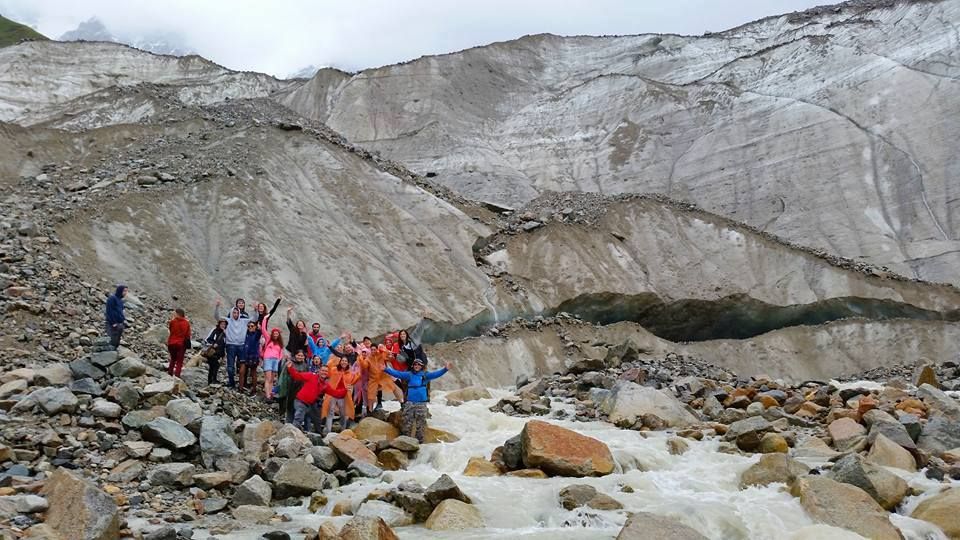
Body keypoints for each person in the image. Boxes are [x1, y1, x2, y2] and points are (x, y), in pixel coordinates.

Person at [385, 358, 452, 442]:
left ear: (421, 366)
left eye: (418, 365)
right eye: (415, 364)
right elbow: (397, 373)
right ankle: (405, 440)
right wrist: (386, 369)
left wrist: (445, 369)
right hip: (410, 403)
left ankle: (419, 441)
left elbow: (436, 374)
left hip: (421, 404)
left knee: (420, 423)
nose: (416, 366)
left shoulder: (425, 375)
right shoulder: (409, 374)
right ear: (413, 366)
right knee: (407, 421)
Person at [359, 344, 404, 412]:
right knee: (371, 395)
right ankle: (370, 410)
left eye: (374, 349)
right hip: (373, 379)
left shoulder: (381, 355)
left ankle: (402, 402)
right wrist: (362, 359)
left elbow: (389, 356)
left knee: (394, 387)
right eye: (372, 350)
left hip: (383, 377)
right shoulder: (368, 359)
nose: (373, 351)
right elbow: (364, 366)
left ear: (376, 349)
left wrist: (384, 350)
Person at [322, 355, 360, 434]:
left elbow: (355, 379)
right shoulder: (334, 370)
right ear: (340, 362)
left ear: (348, 363)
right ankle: (328, 431)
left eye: (345, 361)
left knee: (343, 414)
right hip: (332, 394)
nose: (344, 362)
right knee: (330, 412)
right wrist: (333, 358)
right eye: (342, 360)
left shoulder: (349, 373)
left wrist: (351, 385)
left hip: (343, 396)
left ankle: (343, 430)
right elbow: (327, 371)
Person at [285, 363, 327, 432]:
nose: (324, 372)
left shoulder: (325, 384)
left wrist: (345, 390)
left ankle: (312, 433)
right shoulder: (311, 376)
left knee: (311, 419)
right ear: (319, 371)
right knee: (299, 417)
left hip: (310, 404)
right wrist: (290, 368)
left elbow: (334, 392)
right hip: (300, 401)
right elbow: (297, 375)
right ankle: (291, 433)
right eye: (323, 370)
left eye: (326, 371)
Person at [214, 300, 247, 389]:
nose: (235, 314)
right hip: (230, 345)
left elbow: (254, 319)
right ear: (231, 313)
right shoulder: (228, 321)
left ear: (239, 313)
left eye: (237, 313)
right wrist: (217, 307)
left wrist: (255, 311)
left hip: (241, 345)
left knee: (242, 365)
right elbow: (217, 317)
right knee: (230, 366)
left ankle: (241, 384)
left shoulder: (243, 321)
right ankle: (231, 382)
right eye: (234, 313)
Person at [278, 350, 310, 424]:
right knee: (290, 405)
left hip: (301, 388)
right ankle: (288, 422)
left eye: (302, 356)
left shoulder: (305, 365)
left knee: (299, 406)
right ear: (295, 355)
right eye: (298, 355)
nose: (300, 357)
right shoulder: (290, 363)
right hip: (290, 387)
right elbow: (283, 376)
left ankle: (297, 423)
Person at [260, 319, 285, 400]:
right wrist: (265, 318)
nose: (275, 335)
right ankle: (267, 395)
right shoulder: (268, 339)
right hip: (268, 359)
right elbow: (263, 329)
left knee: (272, 379)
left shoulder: (280, 343)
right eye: (274, 333)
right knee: (268, 378)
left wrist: (279, 359)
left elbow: (281, 353)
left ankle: (270, 394)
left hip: (275, 361)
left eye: (277, 333)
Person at [167, 308, 191, 377]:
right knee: (179, 361)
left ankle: (170, 373)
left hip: (171, 343)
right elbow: (188, 335)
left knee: (173, 358)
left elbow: (170, 330)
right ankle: (177, 375)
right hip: (181, 344)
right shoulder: (186, 323)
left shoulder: (172, 322)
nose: (173, 314)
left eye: (174, 313)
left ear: (178, 314)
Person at [239, 320, 261, 393]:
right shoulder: (246, 334)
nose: (250, 327)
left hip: (253, 356)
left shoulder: (256, 335)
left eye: (252, 326)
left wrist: (259, 328)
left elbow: (260, 333)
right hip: (244, 355)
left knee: (253, 373)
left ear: (255, 327)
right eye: (248, 326)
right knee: (241, 372)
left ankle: (254, 389)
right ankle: (240, 388)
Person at [105, 285, 128, 349]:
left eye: (126, 291)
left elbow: (120, 312)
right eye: (124, 291)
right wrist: (113, 323)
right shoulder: (112, 299)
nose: (125, 293)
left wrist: (123, 320)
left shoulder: (120, 301)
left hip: (119, 324)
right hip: (112, 324)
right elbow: (109, 311)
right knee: (112, 341)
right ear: (120, 291)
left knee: (117, 342)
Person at [205, 319, 228, 385]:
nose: (223, 325)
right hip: (213, 352)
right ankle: (212, 380)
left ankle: (212, 380)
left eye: (224, 324)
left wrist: (223, 354)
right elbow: (209, 339)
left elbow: (225, 343)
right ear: (219, 324)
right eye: (222, 324)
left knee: (216, 366)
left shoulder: (225, 333)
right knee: (214, 366)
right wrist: (213, 344)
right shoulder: (215, 331)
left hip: (219, 353)